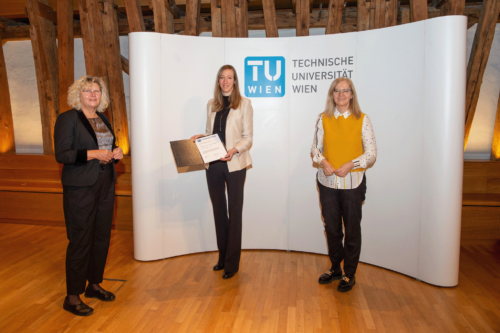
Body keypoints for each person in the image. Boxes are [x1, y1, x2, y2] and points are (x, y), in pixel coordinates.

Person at [54, 75, 124, 316]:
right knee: (80, 240)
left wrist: (116, 151)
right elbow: (62, 154)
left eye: (96, 91)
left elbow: (106, 146)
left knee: (101, 237)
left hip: (106, 183)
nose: (92, 94)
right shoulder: (68, 119)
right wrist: (94, 153)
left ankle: (93, 285)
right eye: (87, 91)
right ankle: (72, 296)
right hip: (80, 188)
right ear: (78, 94)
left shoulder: (103, 118)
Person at [311, 77, 377, 292]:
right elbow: (315, 149)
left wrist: (351, 164)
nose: (341, 95)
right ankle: (335, 268)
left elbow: (371, 154)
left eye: (345, 91)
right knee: (331, 228)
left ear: (351, 95)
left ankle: (349, 273)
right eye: (337, 91)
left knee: (352, 229)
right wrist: (323, 161)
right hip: (327, 182)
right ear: (332, 95)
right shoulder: (323, 119)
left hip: (353, 184)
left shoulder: (363, 119)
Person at [191, 65, 253, 280]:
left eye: (229, 77)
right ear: (218, 81)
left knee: (234, 214)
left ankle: (232, 264)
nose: (225, 81)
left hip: (234, 164)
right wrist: (201, 137)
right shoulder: (212, 104)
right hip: (214, 165)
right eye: (222, 78)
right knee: (219, 212)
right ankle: (222, 257)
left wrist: (235, 149)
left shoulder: (244, 104)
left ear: (235, 81)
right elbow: (211, 134)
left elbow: (248, 137)